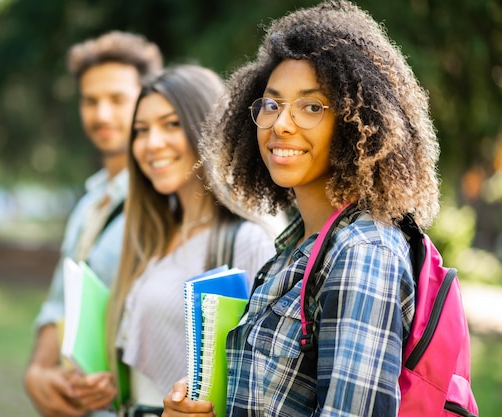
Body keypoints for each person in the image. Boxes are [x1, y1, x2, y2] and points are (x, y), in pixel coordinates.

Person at [163, 1, 440, 416]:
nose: (281, 124)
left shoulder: (363, 251)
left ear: (354, 120)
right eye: (271, 104)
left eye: (311, 107)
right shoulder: (296, 247)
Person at [105, 64, 284, 416]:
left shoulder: (250, 241)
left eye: (171, 124)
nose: (152, 144)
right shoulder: (153, 235)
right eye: (141, 130)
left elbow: (263, 386)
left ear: (209, 130)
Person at [24, 31, 162, 417]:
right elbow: (58, 303)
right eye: (90, 101)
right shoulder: (88, 202)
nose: (101, 114)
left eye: (117, 99)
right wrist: (37, 371)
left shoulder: (168, 203)